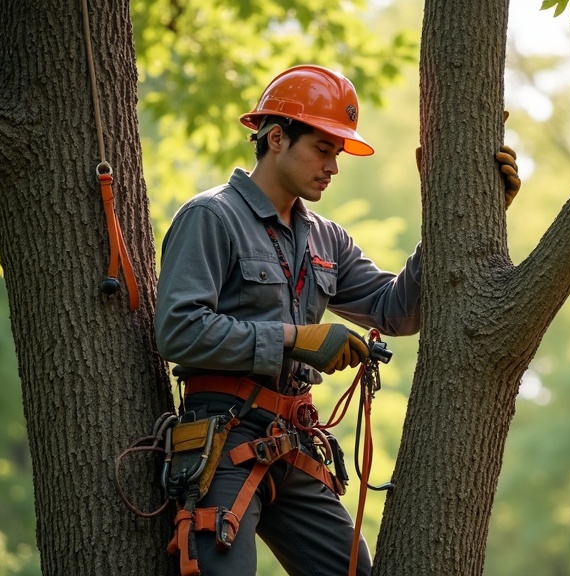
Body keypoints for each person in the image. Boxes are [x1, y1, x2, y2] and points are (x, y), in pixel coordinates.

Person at [155, 64, 520, 576]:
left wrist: (456, 214)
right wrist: (295, 338)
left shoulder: (326, 239)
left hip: (293, 439)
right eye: (323, 149)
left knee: (354, 571)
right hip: (224, 436)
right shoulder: (211, 217)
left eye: (338, 154)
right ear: (277, 138)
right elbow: (179, 331)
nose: (333, 166)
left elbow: (397, 309)